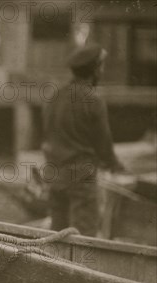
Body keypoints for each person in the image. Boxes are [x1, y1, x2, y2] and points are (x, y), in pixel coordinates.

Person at [42, 44, 125, 237]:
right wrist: (115, 166)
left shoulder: (55, 96)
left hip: (55, 176)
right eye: (101, 67)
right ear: (95, 70)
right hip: (81, 180)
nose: (102, 71)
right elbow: (103, 145)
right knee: (84, 236)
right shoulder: (93, 100)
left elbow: (48, 134)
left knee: (58, 236)